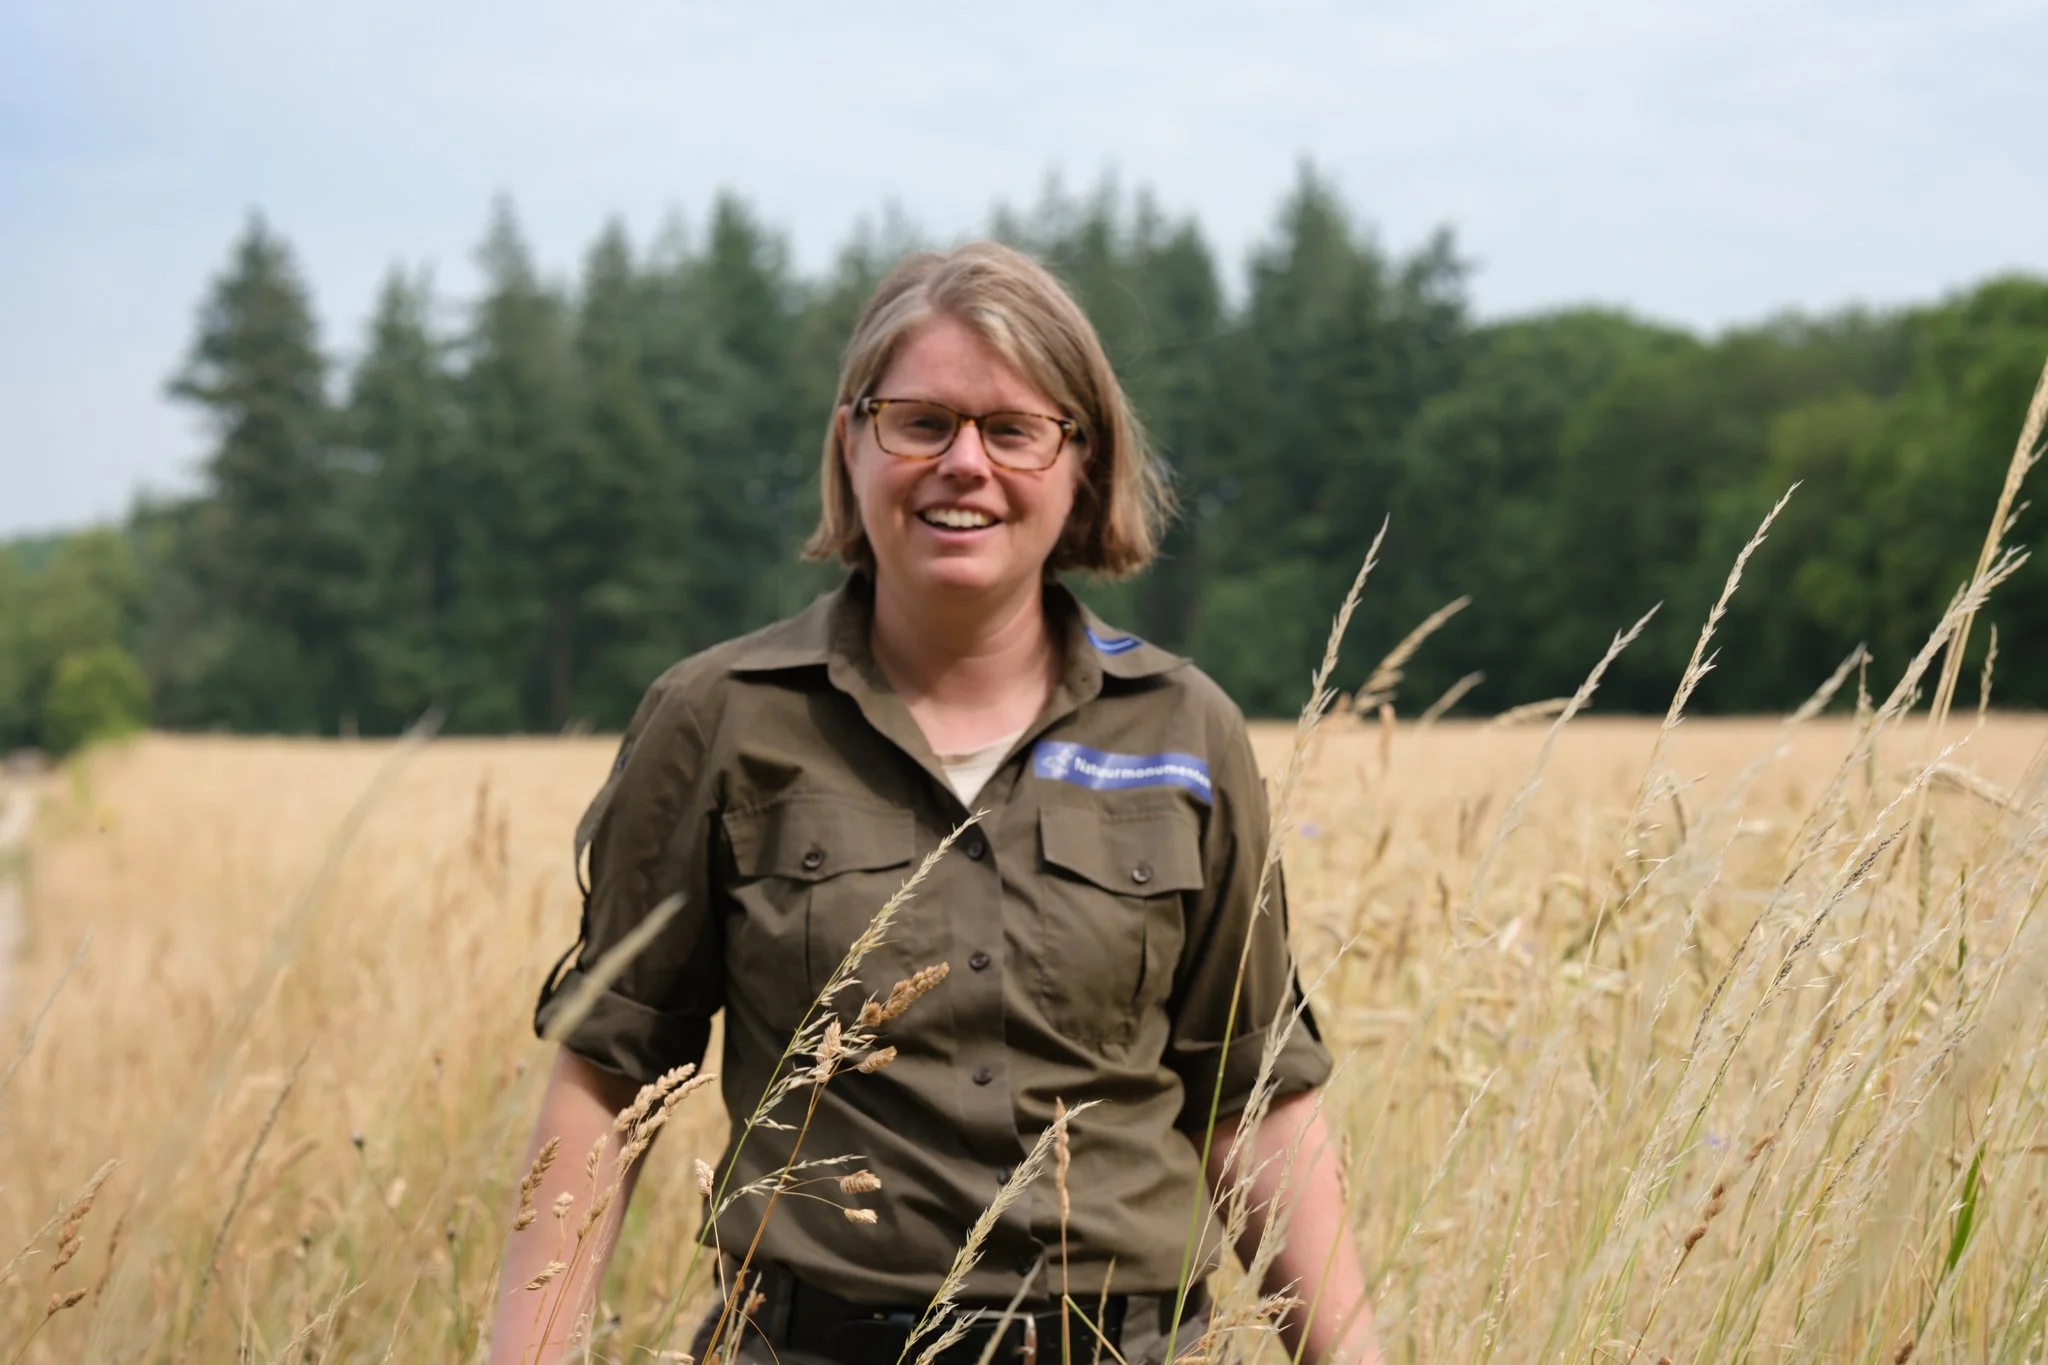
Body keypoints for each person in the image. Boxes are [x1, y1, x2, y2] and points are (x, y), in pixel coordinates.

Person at [490, 241, 1383, 1365]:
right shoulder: (718, 719)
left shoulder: (1182, 731)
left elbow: (1251, 1098)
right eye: (920, 422)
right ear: (851, 442)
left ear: (1079, 463)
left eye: (1012, 429)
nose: (965, 463)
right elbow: (608, 1078)